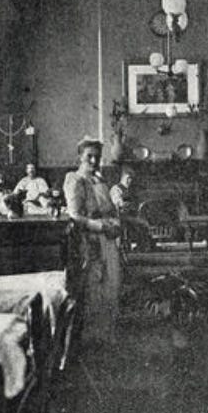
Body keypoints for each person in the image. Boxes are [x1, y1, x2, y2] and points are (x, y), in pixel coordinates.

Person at [64, 136, 122, 341]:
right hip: (89, 241)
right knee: (94, 287)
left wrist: (115, 223)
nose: (94, 160)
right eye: (89, 156)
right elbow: (74, 216)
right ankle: (91, 338)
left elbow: (110, 210)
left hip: (108, 239)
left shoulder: (99, 180)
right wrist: (101, 226)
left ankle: (107, 335)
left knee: (111, 286)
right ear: (80, 157)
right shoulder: (74, 180)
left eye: (97, 156)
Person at [109, 166, 154, 251]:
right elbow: (117, 203)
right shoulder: (116, 189)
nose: (129, 181)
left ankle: (143, 245)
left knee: (144, 222)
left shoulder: (130, 190)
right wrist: (127, 205)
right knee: (140, 223)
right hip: (120, 216)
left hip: (131, 215)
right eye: (127, 178)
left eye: (130, 179)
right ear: (122, 178)